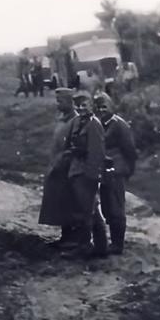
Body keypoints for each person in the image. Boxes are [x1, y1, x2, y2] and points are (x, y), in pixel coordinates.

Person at [63, 90, 107, 256]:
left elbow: (97, 152)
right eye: (78, 105)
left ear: (92, 106)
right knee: (88, 209)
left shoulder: (94, 124)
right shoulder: (77, 122)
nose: (81, 108)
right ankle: (100, 248)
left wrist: (92, 176)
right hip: (76, 170)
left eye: (84, 105)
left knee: (87, 211)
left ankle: (85, 246)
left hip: (87, 173)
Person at [93, 92, 138, 255]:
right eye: (98, 107)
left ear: (111, 107)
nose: (102, 110)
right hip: (103, 172)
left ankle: (118, 244)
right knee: (106, 207)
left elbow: (130, 151)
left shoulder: (120, 125)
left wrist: (128, 170)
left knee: (116, 207)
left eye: (105, 107)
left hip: (116, 170)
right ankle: (113, 240)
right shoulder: (97, 124)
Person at [39, 88, 79, 248]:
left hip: (67, 168)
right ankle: (65, 235)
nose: (58, 105)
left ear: (70, 102)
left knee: (70, 202)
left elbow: (73, 147)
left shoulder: (75, 121)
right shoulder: (63, 119)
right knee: (59, 201)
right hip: (57, 165)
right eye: (57, 101)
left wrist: (61, 162)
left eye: (60, 101)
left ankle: (73, 238)